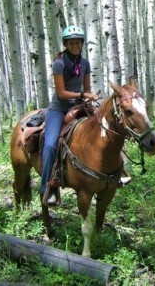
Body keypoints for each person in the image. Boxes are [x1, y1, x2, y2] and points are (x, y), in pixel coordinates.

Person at [40, 25, 99, 205]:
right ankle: (47, 187)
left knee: (103, 130)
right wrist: (83, 95)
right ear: (66, 44)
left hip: (79, 106)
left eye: (78, 42)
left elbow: (87, 90)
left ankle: (118, 172)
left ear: (82, 44)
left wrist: (90, 102)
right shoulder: (59, 63)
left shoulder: (85, 63)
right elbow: (61, 93)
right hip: (59, 109)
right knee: (50, 145)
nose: (75, 45)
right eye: (71, 42)